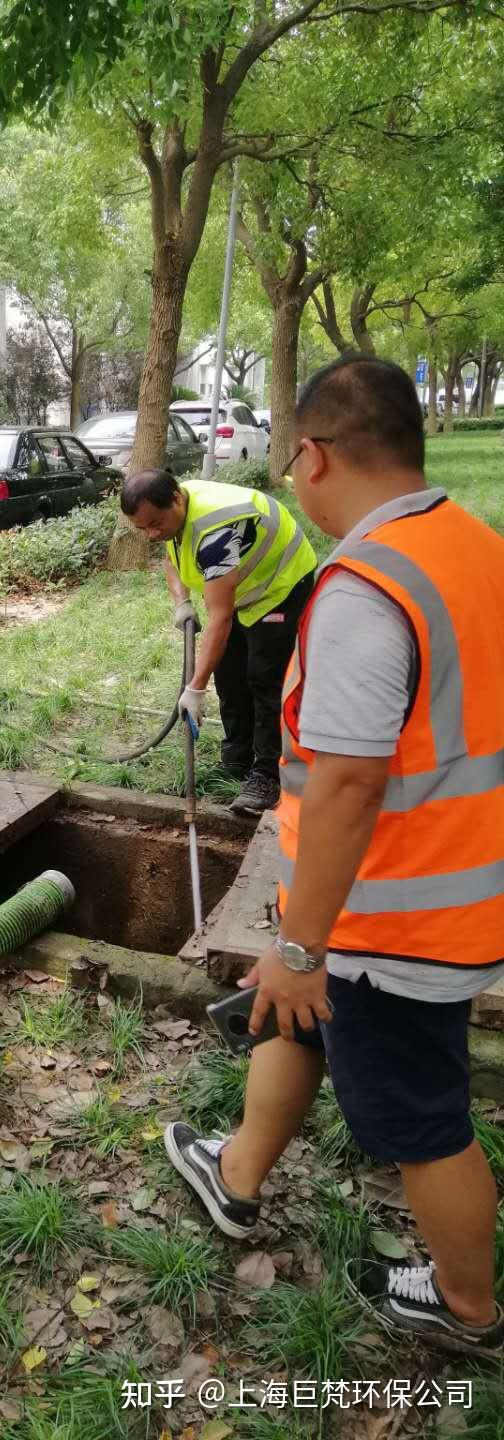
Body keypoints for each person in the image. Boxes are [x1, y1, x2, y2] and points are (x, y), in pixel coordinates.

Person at [165, 355, 504, 1354]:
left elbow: (352, 781)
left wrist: (305, 944)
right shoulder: (471, 544)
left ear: (311, 457)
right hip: (442, 879)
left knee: (419, 1114)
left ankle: (467, 1306)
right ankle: (236, 1178)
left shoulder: (364, 586)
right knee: (293, 1021)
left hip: (395, 911)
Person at [121, 465, 316, 817]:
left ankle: (267, 774)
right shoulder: (174, 511)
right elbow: (172, 553)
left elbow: (221, 616)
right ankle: (236, 758)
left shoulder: (216, 532)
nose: (150, 534)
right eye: (142, 528)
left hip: (278, 586)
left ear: (176, 499)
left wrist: (195, 689)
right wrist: (181, 602)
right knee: (229, 673)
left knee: (265, 678)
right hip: (239, 586)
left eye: (154, 524)